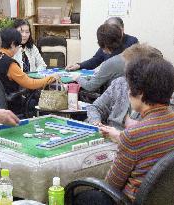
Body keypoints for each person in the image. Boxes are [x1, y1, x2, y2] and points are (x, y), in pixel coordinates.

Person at [75, 57, 174, 205]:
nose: (127, 91)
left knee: (79, 194)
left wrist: (125, 137)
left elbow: (111, 185)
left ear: (139, 93)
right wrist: (120, 136)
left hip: (130, 200)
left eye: (130, 87)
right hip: (165, 198)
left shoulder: (134, 135)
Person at [86, 44, 163, 130]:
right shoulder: (120, 83)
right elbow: (95, 107)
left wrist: (120, 136)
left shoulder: (162, 95)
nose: (125, 70)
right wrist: (96, 122)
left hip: (138, 140)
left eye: (129, 67)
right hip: (111, 136)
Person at [0, 28, 58, 115]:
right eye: (18, 46)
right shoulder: (10, 64)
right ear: (13, 44)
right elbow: (31, 84)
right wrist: (51, 78)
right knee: (43, 105)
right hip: (13, 106)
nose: (18, 49)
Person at [66, 16, 138, 71]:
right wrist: (79, 65)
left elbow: (135, 67)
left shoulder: (132, 42)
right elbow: (96, 59)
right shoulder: (106, 40)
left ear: (122, 29)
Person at [71, 23, 125, 92]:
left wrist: (77, 77)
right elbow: (96, 60)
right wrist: (79, 65)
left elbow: (90, 86)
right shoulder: (127, 52)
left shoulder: (111, 62)